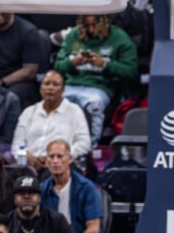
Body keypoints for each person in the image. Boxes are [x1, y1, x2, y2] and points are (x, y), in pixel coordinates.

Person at [55, 15, 139, 145]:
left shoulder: (120, 38)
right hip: (72, 85)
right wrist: (72, 63)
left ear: (105, 23)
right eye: (87, 26)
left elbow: (131, 71)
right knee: (56, 104)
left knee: (94, 104)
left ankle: (90, 146)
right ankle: (56, 146)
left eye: (95, 25)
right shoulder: (73, 35)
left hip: (99, 88)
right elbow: (58, 65)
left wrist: (105, 65)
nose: (91, 30)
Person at [12, 69, 91, 171]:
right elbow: (17, 144)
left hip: (60, 166)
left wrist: (58, 156)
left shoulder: (74, 111)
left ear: (63, 90)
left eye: (55, 84)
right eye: (46, 84)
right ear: (40, 88)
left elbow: (84, 144)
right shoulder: (28, 112)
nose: (50, 88)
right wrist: (25, 155)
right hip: (29, 166)